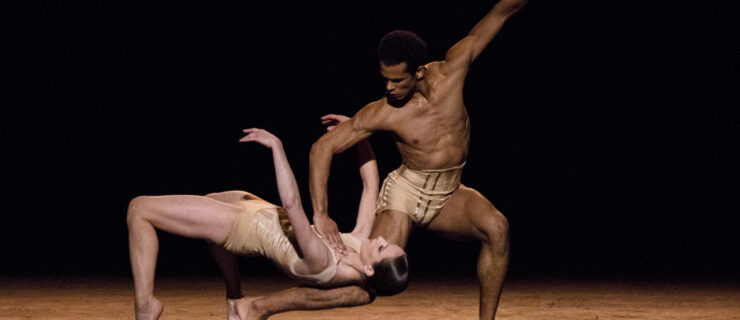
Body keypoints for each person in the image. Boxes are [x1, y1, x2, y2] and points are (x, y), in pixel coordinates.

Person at [234, 1, 528, 319]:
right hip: (405, 193)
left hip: (449, 190)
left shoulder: (453, 70)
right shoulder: (383, 110)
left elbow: (500, 12)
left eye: (397, 80)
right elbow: (322, 148)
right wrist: (320, 212)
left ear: (419, 72)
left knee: (497, 227)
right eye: (384, 78)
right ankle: (260, 307)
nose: (388, 87)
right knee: (365, 285)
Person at [126, 123, 408, 320]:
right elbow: (371, 185)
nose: (382, 239)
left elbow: (293, 205)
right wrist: (358, 134)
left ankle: (146, 307)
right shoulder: (358, 244)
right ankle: (234, 298)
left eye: (383, 248)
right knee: (205, 202)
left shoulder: (324, 262)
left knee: (139, 209)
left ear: (369, 270)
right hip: (256, 207)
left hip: (238, 226)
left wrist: (277, 147)